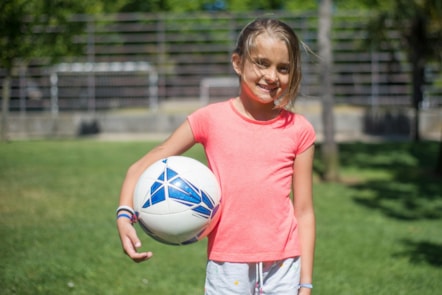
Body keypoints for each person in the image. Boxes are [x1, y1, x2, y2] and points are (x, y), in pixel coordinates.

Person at [116, 17, 316, 295]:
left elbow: (304, 212)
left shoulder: (300, 130)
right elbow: (140, 167)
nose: (272, 76)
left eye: (283, 68)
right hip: (227, 264)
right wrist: (125, 216)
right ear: (237, 62)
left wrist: (305, 283)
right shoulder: (209, 119)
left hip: (284, 265)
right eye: (262, 62)